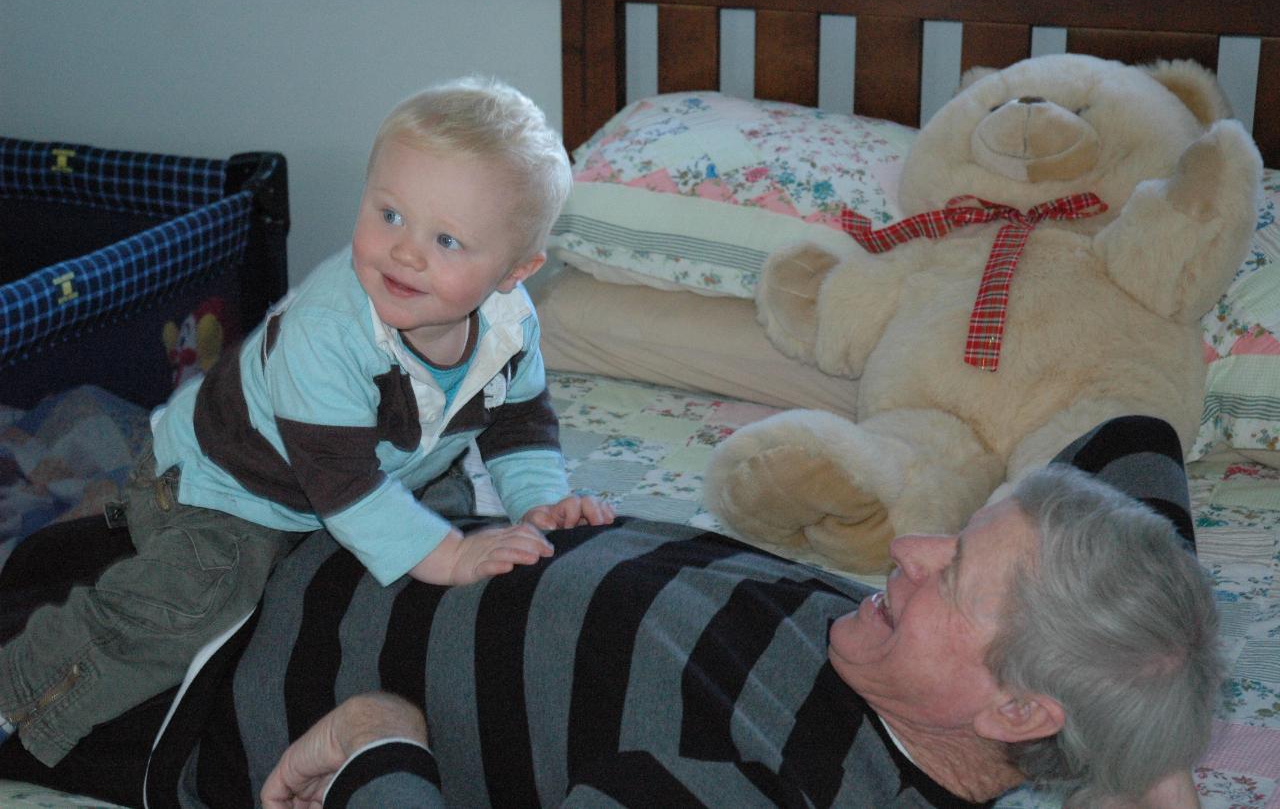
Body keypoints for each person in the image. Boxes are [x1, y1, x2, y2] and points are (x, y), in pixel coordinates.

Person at [0, 415, 1219, 808]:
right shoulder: (919, 664)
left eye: (949, 575)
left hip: (195, 674)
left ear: (1014, 703)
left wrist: (376, 734)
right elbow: (1138, 442)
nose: (906, 548)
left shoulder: (780, 784)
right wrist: (1159, 768)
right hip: (307, 521)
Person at [0, 75, 613, 769]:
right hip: (233, 484)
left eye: (447, 239)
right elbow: (343, 484)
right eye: (389, 215)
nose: (406, 252)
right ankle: (18, 687)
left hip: (376, 476)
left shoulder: (510, 323)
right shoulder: (329, 330)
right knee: (198, 601)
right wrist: (446, 554)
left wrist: (540, 503)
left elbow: (519, 420)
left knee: (465, 551)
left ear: (515, 270)